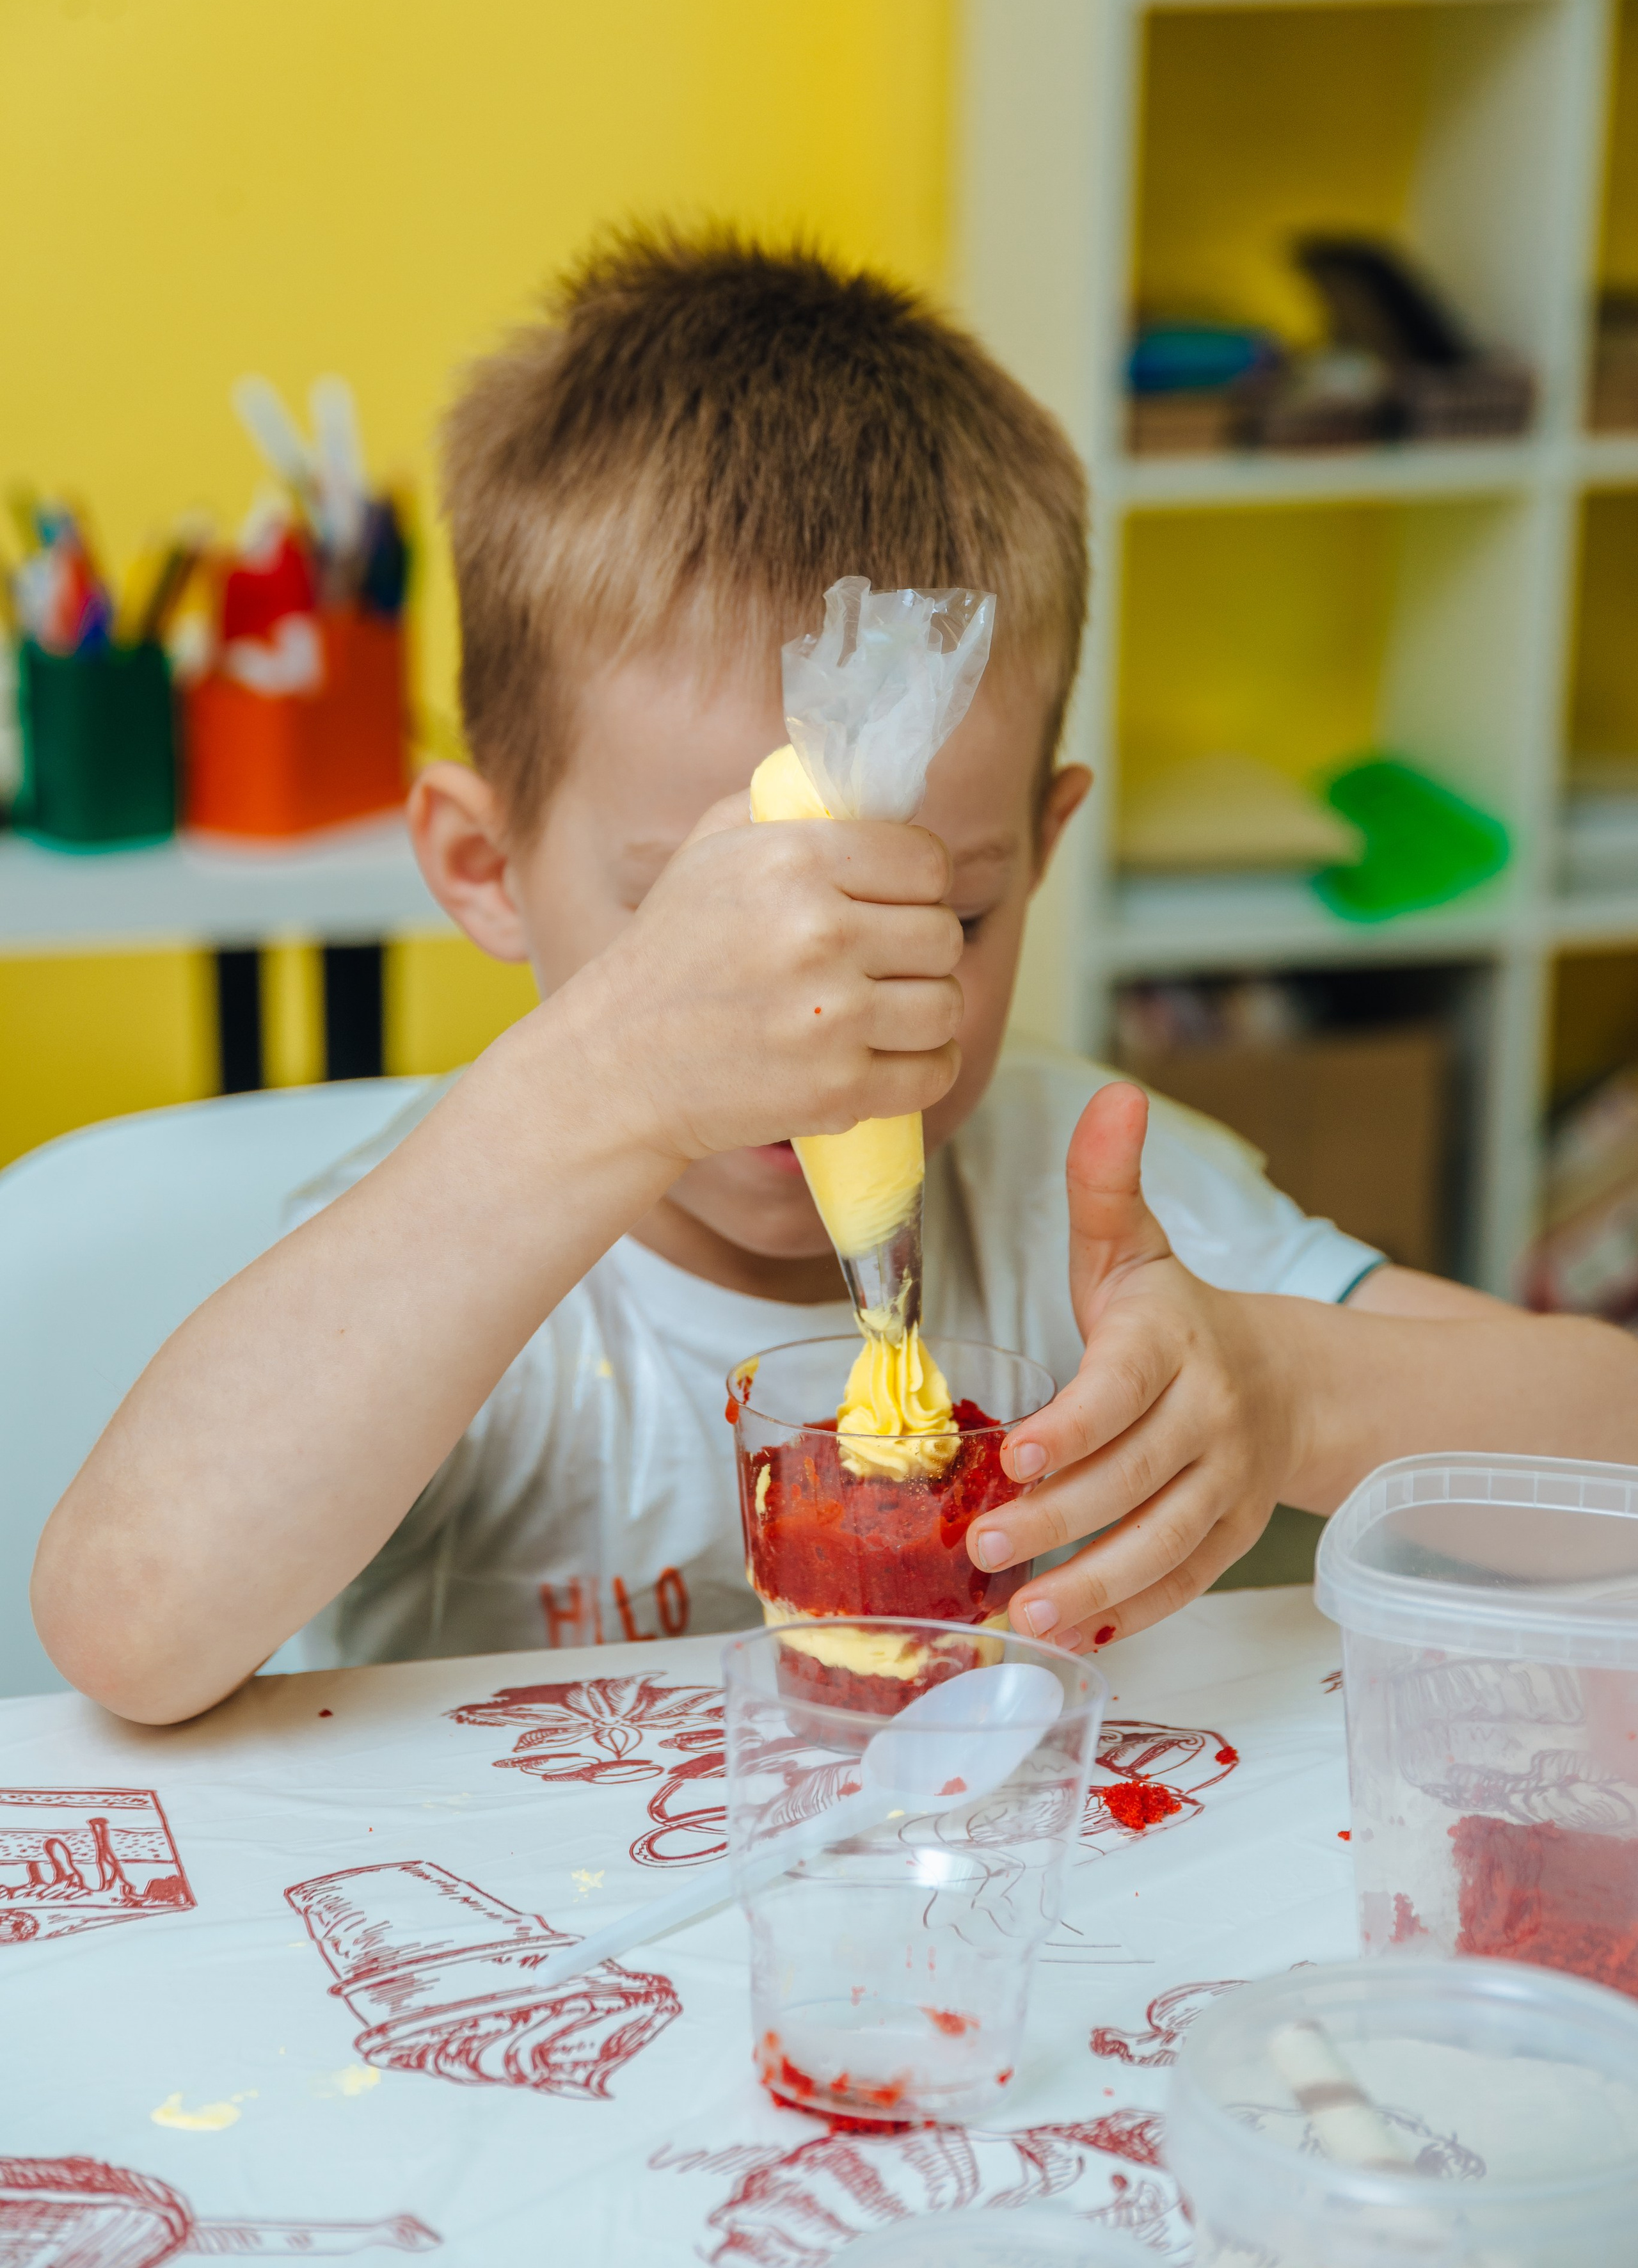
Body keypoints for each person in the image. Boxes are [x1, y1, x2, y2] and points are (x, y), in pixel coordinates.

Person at [34, 229, 1638, 1725]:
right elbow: (123, 1627)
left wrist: (1290, 1391)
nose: (819, 1022)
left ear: (1039, 848)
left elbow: (1611, 1462)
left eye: (941, 919)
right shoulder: (457, 1243)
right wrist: (600, 1087)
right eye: (704, 930)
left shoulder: (1077, 1204)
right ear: (481, 864)